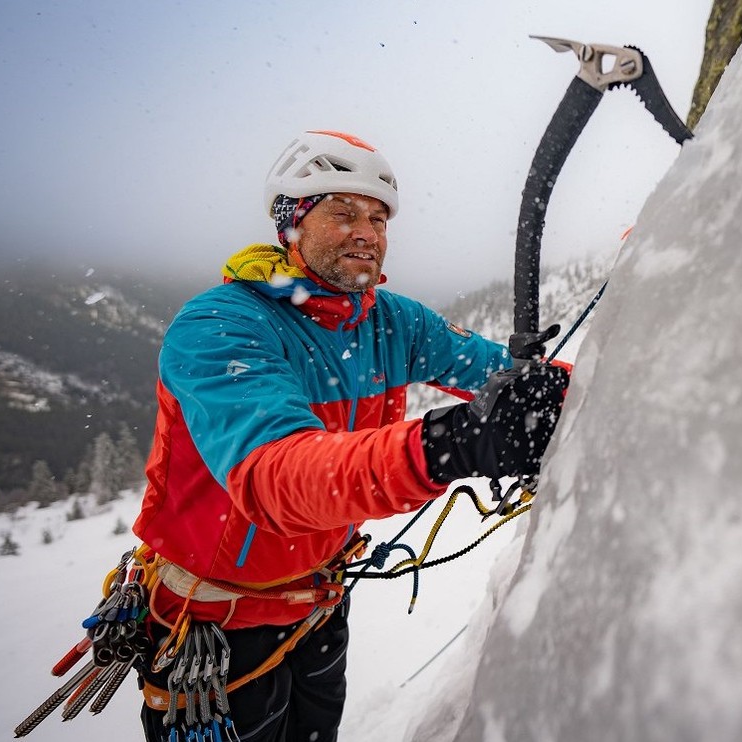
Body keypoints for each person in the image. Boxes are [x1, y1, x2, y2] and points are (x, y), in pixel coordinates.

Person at [130, 129, 569, 742]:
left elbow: (506, 374)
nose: (368, 231)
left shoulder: (391, 320)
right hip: (213, 627)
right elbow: (274, 478)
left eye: (378, 217)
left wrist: (585, 384)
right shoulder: (222, 324)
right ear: (292, 227)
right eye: (342, 212)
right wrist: (452, 444)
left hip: (320, 600)